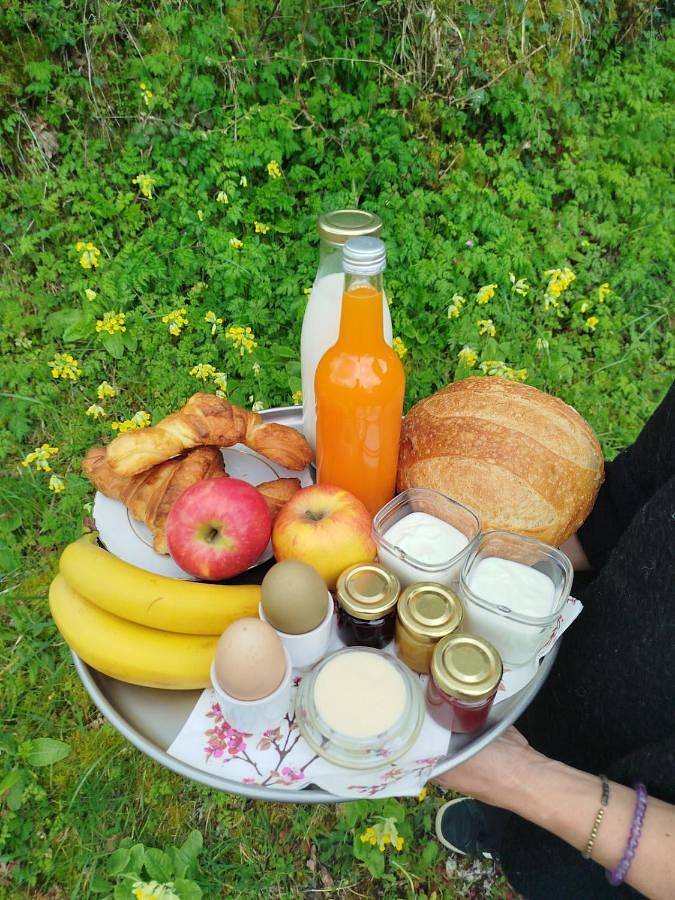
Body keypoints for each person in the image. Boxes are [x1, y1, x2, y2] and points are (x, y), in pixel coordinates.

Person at [434, 384, 675, 899]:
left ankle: (525, 838)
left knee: (557, 868)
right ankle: (501, 829)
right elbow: (630, 496)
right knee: (513, 796)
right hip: (573, 677)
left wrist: (521, 779)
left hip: (633, 857)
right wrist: (479, 561)